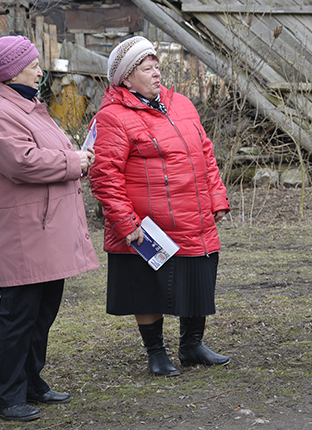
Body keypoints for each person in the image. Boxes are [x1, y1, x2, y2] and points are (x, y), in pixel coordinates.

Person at [89, 36, 231, 377]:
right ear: (125, 78)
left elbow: (205, 153)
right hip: (147, 223)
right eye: (145, 67)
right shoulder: (112, 117)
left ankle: (192, 345)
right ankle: (156, 353)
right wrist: (126, 223)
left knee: (197, 278)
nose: (155, 73)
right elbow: (105, 176)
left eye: (156, 66)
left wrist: (217, 198)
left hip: (192, 214)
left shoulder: (181, 104)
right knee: (147, 288)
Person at [0, 35, 100, 422]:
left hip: (45, 230)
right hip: (25, 233)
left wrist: (78, 157)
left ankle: (30, 382)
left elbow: (48, 152)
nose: (40, 70)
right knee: (18, 315)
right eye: (32, 65)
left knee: (42, 312)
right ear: (13, 72)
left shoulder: (29, 108)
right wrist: (74, 162)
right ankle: (4, 396)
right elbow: (23, 163)